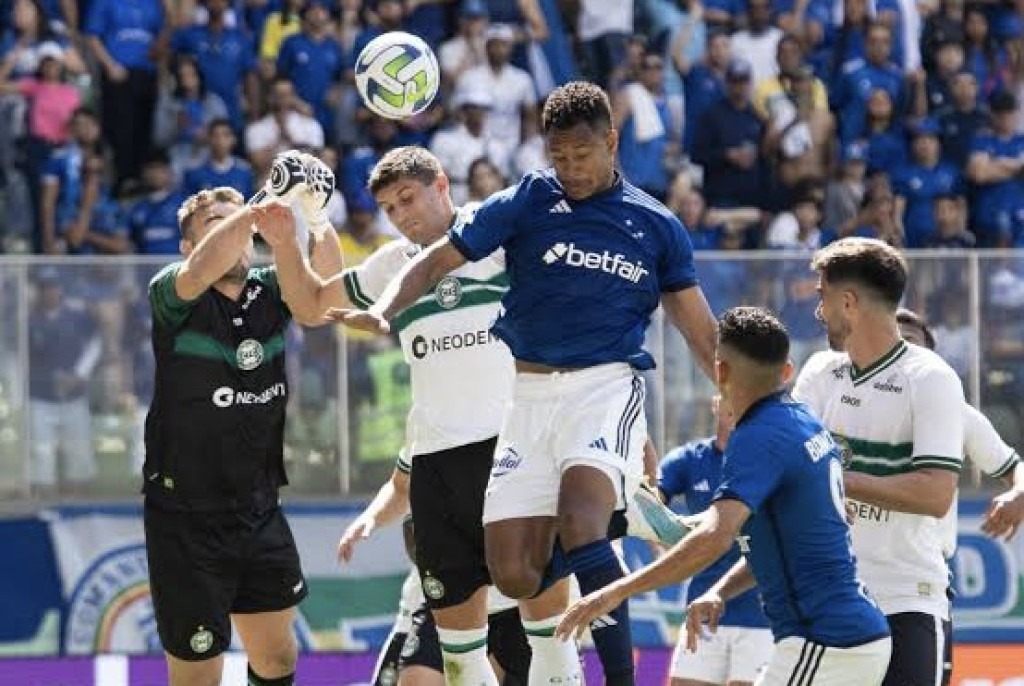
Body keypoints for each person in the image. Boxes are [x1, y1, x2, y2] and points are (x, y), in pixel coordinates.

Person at [322, 82, 719, 685]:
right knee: (512, 573)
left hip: (604, 385)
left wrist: (747, 403)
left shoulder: (657, 226)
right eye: (558, 157)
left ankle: (619, 658)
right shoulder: (530, 199)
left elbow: (699, 331)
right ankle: (622, 509)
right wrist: (385, 310)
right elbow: (433, 261)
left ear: (612, 142)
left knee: (582, 526)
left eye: (581, 157)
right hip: (527, 400)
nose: (570, 170)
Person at [259, 146, 584, 686]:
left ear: (441, 184)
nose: (402, 215)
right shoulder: (393, 264)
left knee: (549, 637)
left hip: (515, 454)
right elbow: (312, 307)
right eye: (389, 208)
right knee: (460, 658)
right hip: (435, 470)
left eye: (408, 198)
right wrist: (289, 238)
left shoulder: (501, 240)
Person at [556, 306, 892, 685]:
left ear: (720, 372)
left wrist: (616, 591)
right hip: (845, 637)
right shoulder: (800, 418)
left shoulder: (757, 435)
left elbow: (716, 536)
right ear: (787, 371)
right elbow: (774, 546)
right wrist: (720, 591)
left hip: (826, 641)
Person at [141, 176, 333, 686]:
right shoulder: (172, 290)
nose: (236, 234)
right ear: (189, 245)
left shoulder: (270, 288)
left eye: (240, 226)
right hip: (184, 518)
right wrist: (258, 207)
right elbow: (208, 262)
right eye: (215, 225)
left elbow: (323, 300)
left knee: (277, 659)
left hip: (258, 505)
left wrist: (311, 220)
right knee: (198, 674)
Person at [792, 237, 965, 686]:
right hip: (829, 596)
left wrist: (835, 480)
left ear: (847, 302)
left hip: (906, 597)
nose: (818, 311)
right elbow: (791, 468)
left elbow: (934, 493)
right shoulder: (818, 372)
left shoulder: (930, 379)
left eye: (822, 297)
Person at [657, 396, 772, 686]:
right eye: (728, 392)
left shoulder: (768, 458)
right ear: (715, 403)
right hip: (702, 610)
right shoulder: (690, 459)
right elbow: (651, 500)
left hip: (760, 615)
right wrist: (658, 534)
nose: (735, 401)